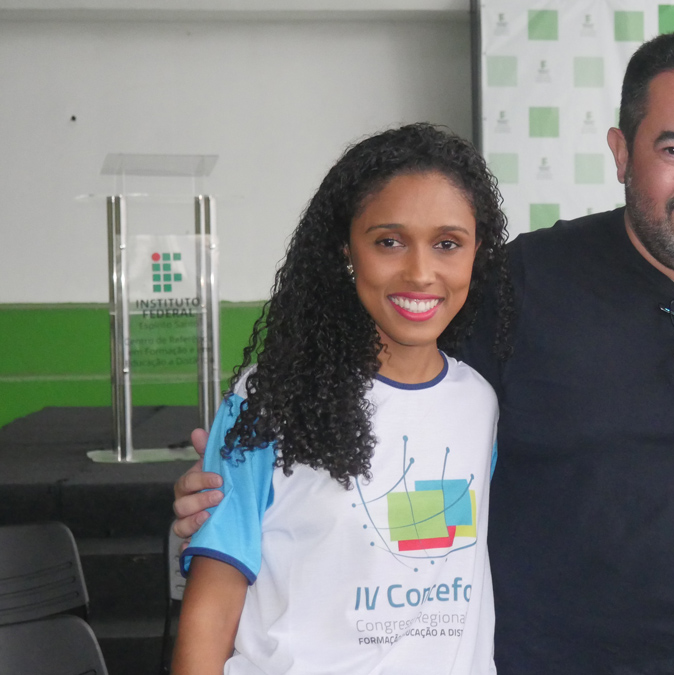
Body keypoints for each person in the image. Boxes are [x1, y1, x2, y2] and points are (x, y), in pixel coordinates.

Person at [175, 31, 674, 674]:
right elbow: (386, 397)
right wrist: (235, 481)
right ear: (621, 152)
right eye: (673, 148)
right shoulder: (522, 282)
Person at [172, 124, 511, 675]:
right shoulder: (271, 399)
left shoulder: (479, 403)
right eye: (389, 242)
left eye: (447, 244)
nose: (420, 272)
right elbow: (211, 609)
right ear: (345, 250)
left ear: (478, 253)